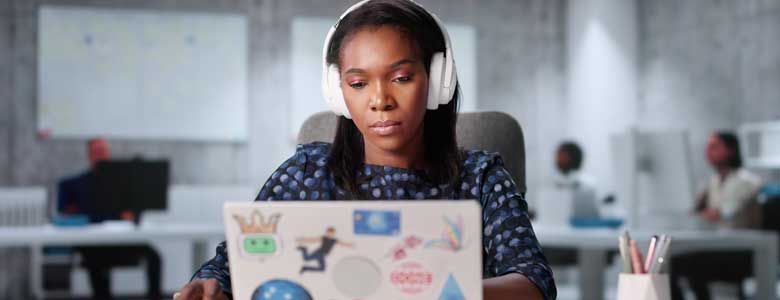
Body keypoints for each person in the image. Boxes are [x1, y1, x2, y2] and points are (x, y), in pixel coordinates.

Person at [176, 1, 556, 299]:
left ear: (437, 80)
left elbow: (533, 282)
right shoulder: (305, 173)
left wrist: (436, 292)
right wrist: (210, 284)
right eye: (358, 84)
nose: (380, 100)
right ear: (337, 92)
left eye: (401, 78)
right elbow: (232, 265)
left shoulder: (481, 178)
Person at [57, 138, 162, 300]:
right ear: (89, 155)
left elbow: (135, 212)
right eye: (96, 152)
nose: (100, 155)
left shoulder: (124, 184)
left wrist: (131, 214)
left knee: (154, 257)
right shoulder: (75, 184)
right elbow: (65, 212)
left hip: (120, 241)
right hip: (92, 243)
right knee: (95, 260)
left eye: (103, 151)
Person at [670, 132, 763, 300]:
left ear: (730, 150)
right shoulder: (713, 181)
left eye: (714, 147)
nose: (708, 152)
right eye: (708, 147)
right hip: (714, 244)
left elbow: (722, 213)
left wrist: (704, 212)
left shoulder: (748, 181)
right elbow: (697, 210)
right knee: (670, 263)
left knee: (686, 264)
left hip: (738, 249)